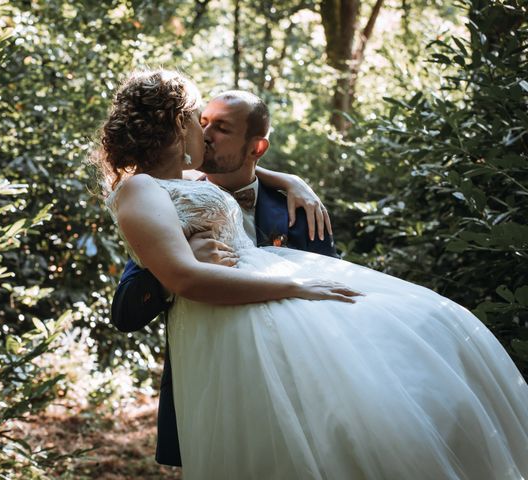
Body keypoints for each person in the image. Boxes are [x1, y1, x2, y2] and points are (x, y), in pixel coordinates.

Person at [94, 69, 528, 479]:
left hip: (263, 309)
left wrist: (290, 179)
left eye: (215, 125)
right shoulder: (139, 187)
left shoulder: (198, 179)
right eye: (196, 119)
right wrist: (295, 287)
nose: (203, 131)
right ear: (176, 123)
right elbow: (181, 277)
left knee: (402, 363)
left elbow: (214, 179)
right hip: (228, 319)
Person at [110, 87, 339, 467]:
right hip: (210, 381)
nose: (207, 134)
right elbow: (125, 312)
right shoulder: (169, 200)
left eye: (222, 128)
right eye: (203, 124)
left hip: (293, 379)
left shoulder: (300, 208)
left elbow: (327, 296)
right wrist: (170, 276)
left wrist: (289, 180)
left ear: (256, 148)